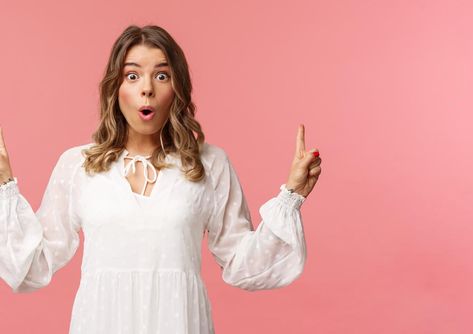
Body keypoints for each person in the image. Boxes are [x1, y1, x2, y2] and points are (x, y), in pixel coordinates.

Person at [0, 25, 322, 333]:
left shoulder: (209, 164)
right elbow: (33, 264)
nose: (147, 88)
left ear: (176, 88)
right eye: (132, 75)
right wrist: (4, 185)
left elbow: (244, 263)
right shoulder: (77, 166)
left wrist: (290, 196)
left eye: (162, 75)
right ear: (116, 88)